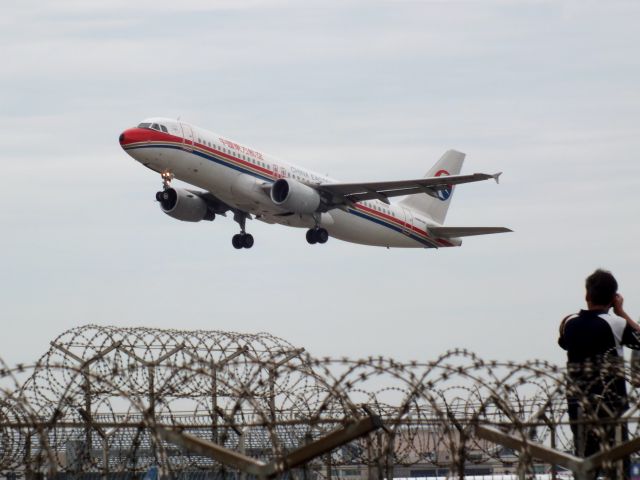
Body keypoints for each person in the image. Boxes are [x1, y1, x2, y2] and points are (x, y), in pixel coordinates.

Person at [558, 269, 640, 477]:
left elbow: (563, 342)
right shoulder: (616, 324)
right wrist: (621, 312)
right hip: (611, 405)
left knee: (584, 464)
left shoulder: (568, 322)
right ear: (613, 299)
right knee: (617, 465)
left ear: (587, 296)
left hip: (578, 402)